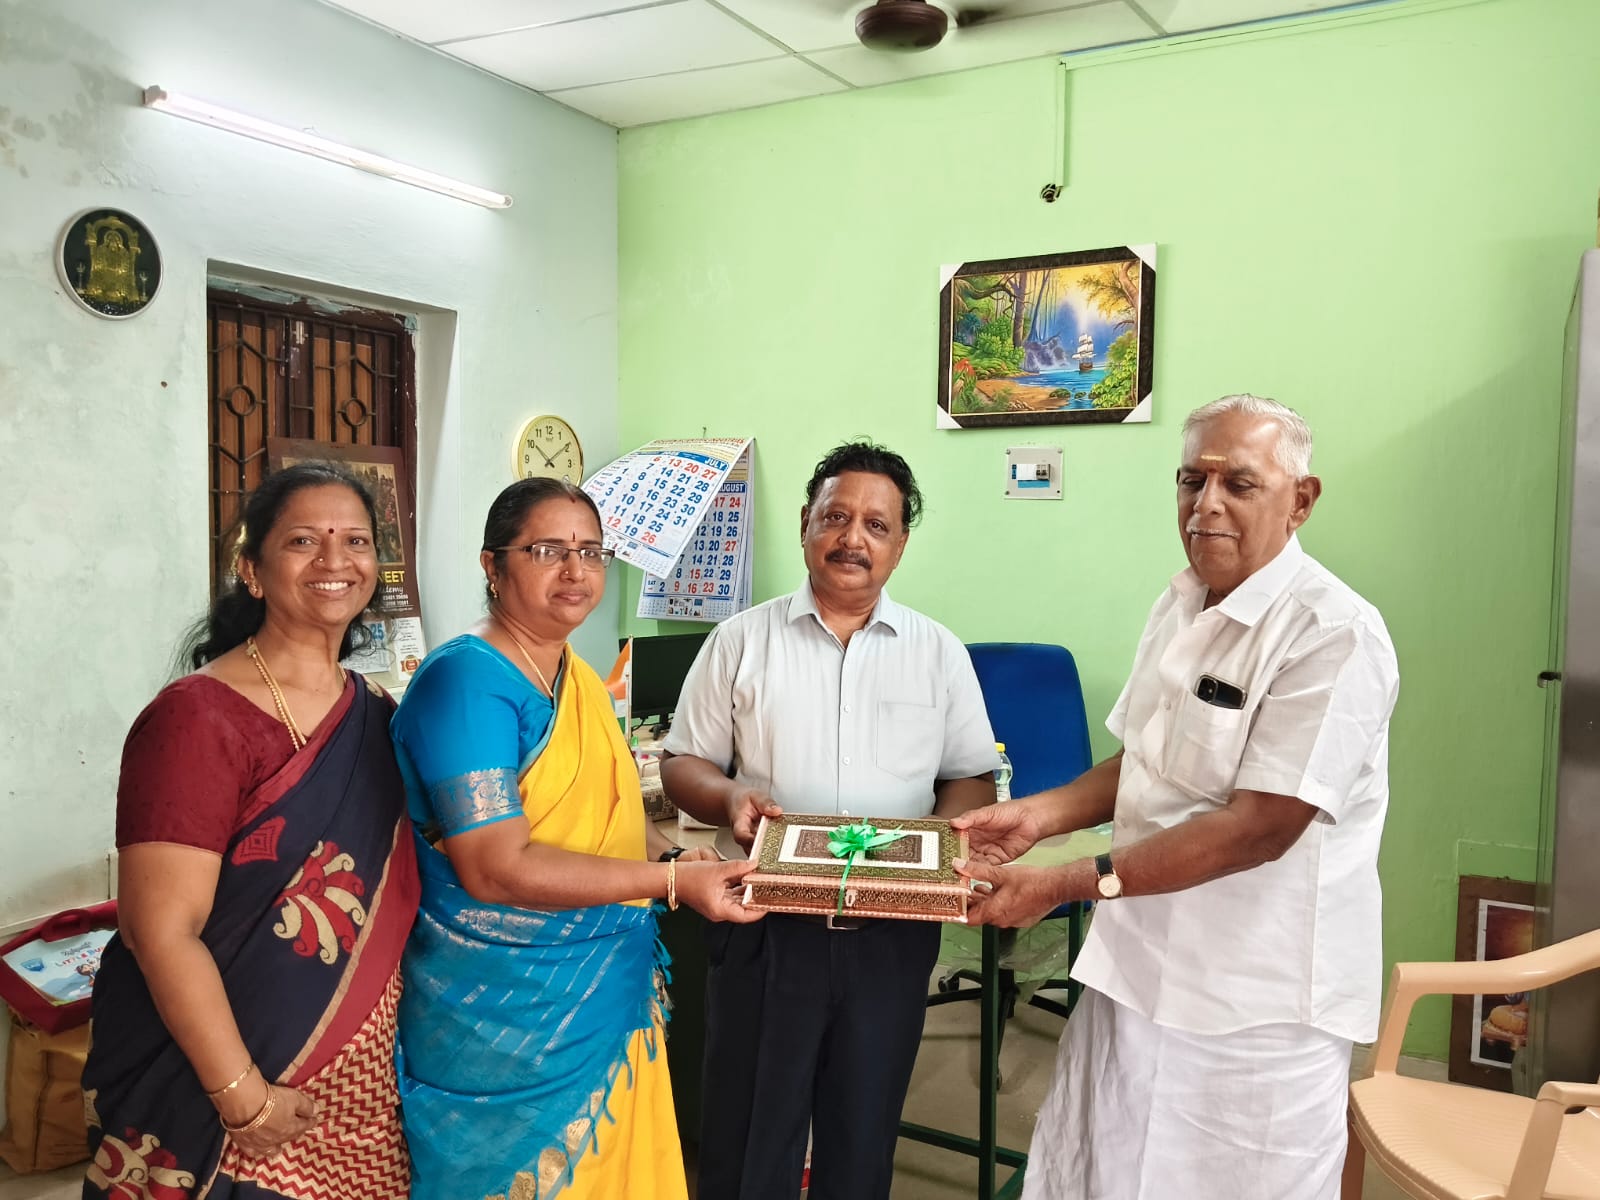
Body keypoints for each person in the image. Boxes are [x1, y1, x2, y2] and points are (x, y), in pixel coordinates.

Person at [953, 394, 1400, 1200]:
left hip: (1253, 1005)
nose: (1206, 504)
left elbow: (1259, 829)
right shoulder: (1183, 600)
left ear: (1301, 500)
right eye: (1192, 480)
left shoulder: (1334, 634)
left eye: (1240, 483)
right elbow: (1147, 761)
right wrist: (1037, 815)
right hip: (1137, 969)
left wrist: (1062, 882)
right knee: (1105, 1171)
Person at [391, 477, 760, 1200]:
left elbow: (613, 818)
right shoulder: (466, 683)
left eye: (592, 552)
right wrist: (673, 883)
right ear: (492, 565)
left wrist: (674, 857)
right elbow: (495, 868)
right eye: (548, 550)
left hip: (606, 994)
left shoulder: (577, 676)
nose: (576, 571)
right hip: (505, 1015)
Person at [661, 440, 1000, 1200]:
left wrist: (941, 844)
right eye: (836, 517)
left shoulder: (938, 653)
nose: (854, 539)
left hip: (891, 932)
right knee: (748, 1130)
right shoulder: (739, 641)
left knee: (863, 1129)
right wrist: (728, 799)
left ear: (900, 544)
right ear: (806, 525)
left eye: (877, 525)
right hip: (764, 923)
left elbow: (971, 775)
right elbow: (682, 762)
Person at [82, 462, 420, 1200]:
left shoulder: (376, 715)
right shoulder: (196, 719)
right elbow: (159, 930)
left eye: (355, 540)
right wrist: (242, 1097)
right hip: (225, 1097)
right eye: (303, 540)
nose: (334, 560)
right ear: (251, 571)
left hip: (361, 1095)